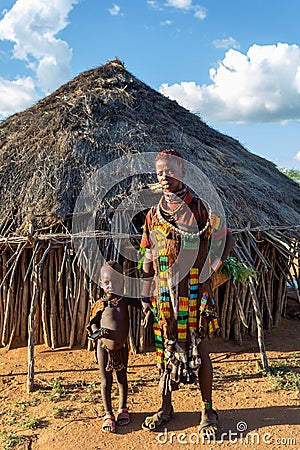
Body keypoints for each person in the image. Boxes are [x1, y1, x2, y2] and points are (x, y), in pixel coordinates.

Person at [140, 149, 235, 438]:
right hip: (163, 294)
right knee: (163, 351)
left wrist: (210, 268)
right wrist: (147, 291)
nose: (164, 176)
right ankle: (166, 408)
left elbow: (225, 237)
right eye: (159, 172)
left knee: (200, 349)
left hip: (193, 289)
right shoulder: (153, 215)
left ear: (182, 172)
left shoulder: (200, 209)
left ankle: (208, 410)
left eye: (169, 170)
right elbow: (148, 254)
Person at [87, 260, 144, 433]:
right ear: (101, 283)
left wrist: (148, 310)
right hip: (104, 349)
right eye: (107, 283)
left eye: (116, 282)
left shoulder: (125, 300)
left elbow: (143, 304)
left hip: (122, 347)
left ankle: (122, 408)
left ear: (123, 282)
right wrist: (98, 332)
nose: (111, 286)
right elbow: (91, 325)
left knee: (122, 379)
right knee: (106, 381)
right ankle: (108, 413)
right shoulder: (100, 304)